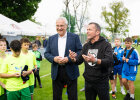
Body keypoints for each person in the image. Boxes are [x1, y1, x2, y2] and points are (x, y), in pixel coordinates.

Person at [69, 22, 113, 100]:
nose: (87, 31)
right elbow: (79, 60)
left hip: (102, 82)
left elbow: (109, 61)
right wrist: (73, 59)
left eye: (90, 29)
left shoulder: (106, 45)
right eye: (87, 29)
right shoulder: (86, 46)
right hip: (88, 81)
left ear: (97, 32)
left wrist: (95, 60)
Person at [44, 17, 82, 100]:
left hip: (71, 69)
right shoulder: (51, 38)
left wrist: (68, 58)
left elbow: (80, 51)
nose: (59, 28)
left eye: (62, 25)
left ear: (66, 26)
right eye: (57, 25)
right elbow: (46, 53)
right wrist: (54, 59)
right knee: (56, 96)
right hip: (56, 71)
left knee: (72, 96)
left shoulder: (75, 37)